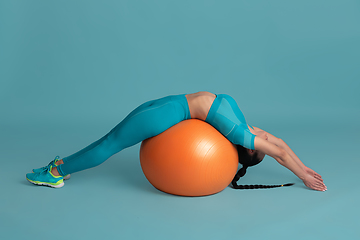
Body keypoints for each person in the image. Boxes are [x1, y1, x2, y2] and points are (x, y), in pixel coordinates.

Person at [26, 91, 326, 191]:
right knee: (109, 138)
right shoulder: (247, 129)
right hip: (168, 102)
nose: (266, 135)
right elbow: (282, 145)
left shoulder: (241, 134)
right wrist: (307, 167)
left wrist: (302, 176)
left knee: (110, 143)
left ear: (251, 148)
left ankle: (55, 172)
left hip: (167, 115)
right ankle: (58, 167)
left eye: (261, 141)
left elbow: (278, 153)